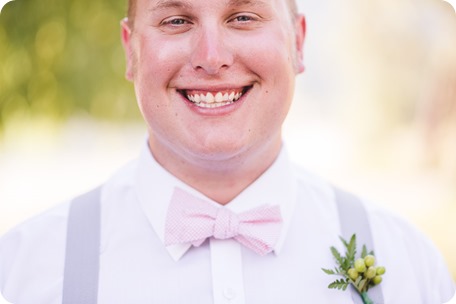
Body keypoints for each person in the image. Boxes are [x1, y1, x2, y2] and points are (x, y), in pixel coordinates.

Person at [0, 0, 454, 303]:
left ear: (297, 41)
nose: (211, 57)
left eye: (243, 17)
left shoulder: (409, 265)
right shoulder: (22, 270)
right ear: (130, 49)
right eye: (176, 20)